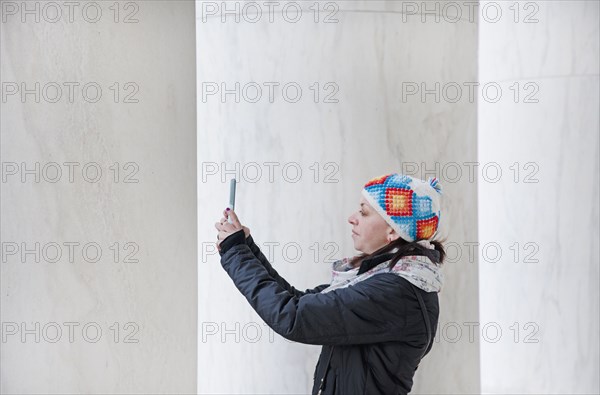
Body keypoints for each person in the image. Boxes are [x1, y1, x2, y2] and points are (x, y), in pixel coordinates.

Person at [214, 173, 446, 395]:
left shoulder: (395, 293)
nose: (352, 217)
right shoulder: (378, 279)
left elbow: (292, 316)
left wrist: (235, 252)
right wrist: (245, 247)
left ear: (393, 231)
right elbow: (298, 301)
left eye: (364, 213)